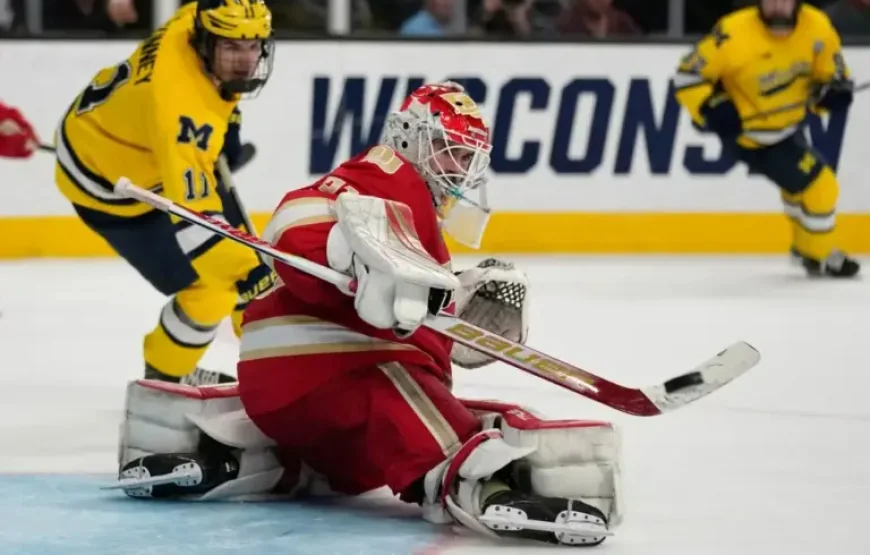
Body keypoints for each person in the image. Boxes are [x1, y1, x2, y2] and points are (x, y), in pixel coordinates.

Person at [109, 82, 622, 547]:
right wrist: (342, 252)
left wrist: (455, 307)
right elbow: (294, 217)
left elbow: (402, 307)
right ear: (407, 138)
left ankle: (240, 459)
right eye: (448, 151)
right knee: (415, 405)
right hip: (328, 368)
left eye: (467, 158)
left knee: (340, 463)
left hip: (294, 392)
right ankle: (486, 485)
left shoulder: (412, 216)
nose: (458, 170)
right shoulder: (386, 175)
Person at [53, 0, 277, 385]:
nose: (245, 61)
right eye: (231, 48)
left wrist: (226, 132)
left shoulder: (191, 21)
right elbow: (195, 220)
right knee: (215, 288)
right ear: (207, 42)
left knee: (247, 271)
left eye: (253, 46)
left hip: (113, 129)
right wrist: (247, 273)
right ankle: (165, 379)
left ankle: (266, 357)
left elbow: (215, 92)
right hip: (108, 187)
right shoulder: (183, 112)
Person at [673, 0, 859, 278]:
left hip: (788, 130)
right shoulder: (733, 32)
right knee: (821, 185)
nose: (778, 4)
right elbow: (688, 76)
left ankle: (807, 249)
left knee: (799, 189)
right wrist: (712, 108)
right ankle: (818, 255)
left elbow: (833, 74)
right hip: (753, 139)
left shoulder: (818, 27)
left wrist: (834, 93)